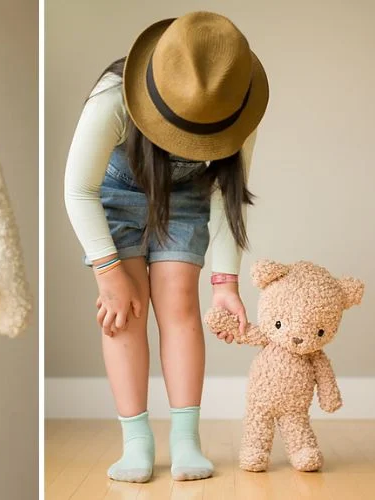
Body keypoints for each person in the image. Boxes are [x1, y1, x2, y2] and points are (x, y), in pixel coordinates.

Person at [63, 11, 268, 483]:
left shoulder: (239, 106)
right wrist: (108, 272)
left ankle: (185, 441)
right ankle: (136, 441)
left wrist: (225, 283)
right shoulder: (111, 100)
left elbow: (227, 198)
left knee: (179, 307)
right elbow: (78, 191)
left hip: (188, 199)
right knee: (124, 314)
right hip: (113, 197)